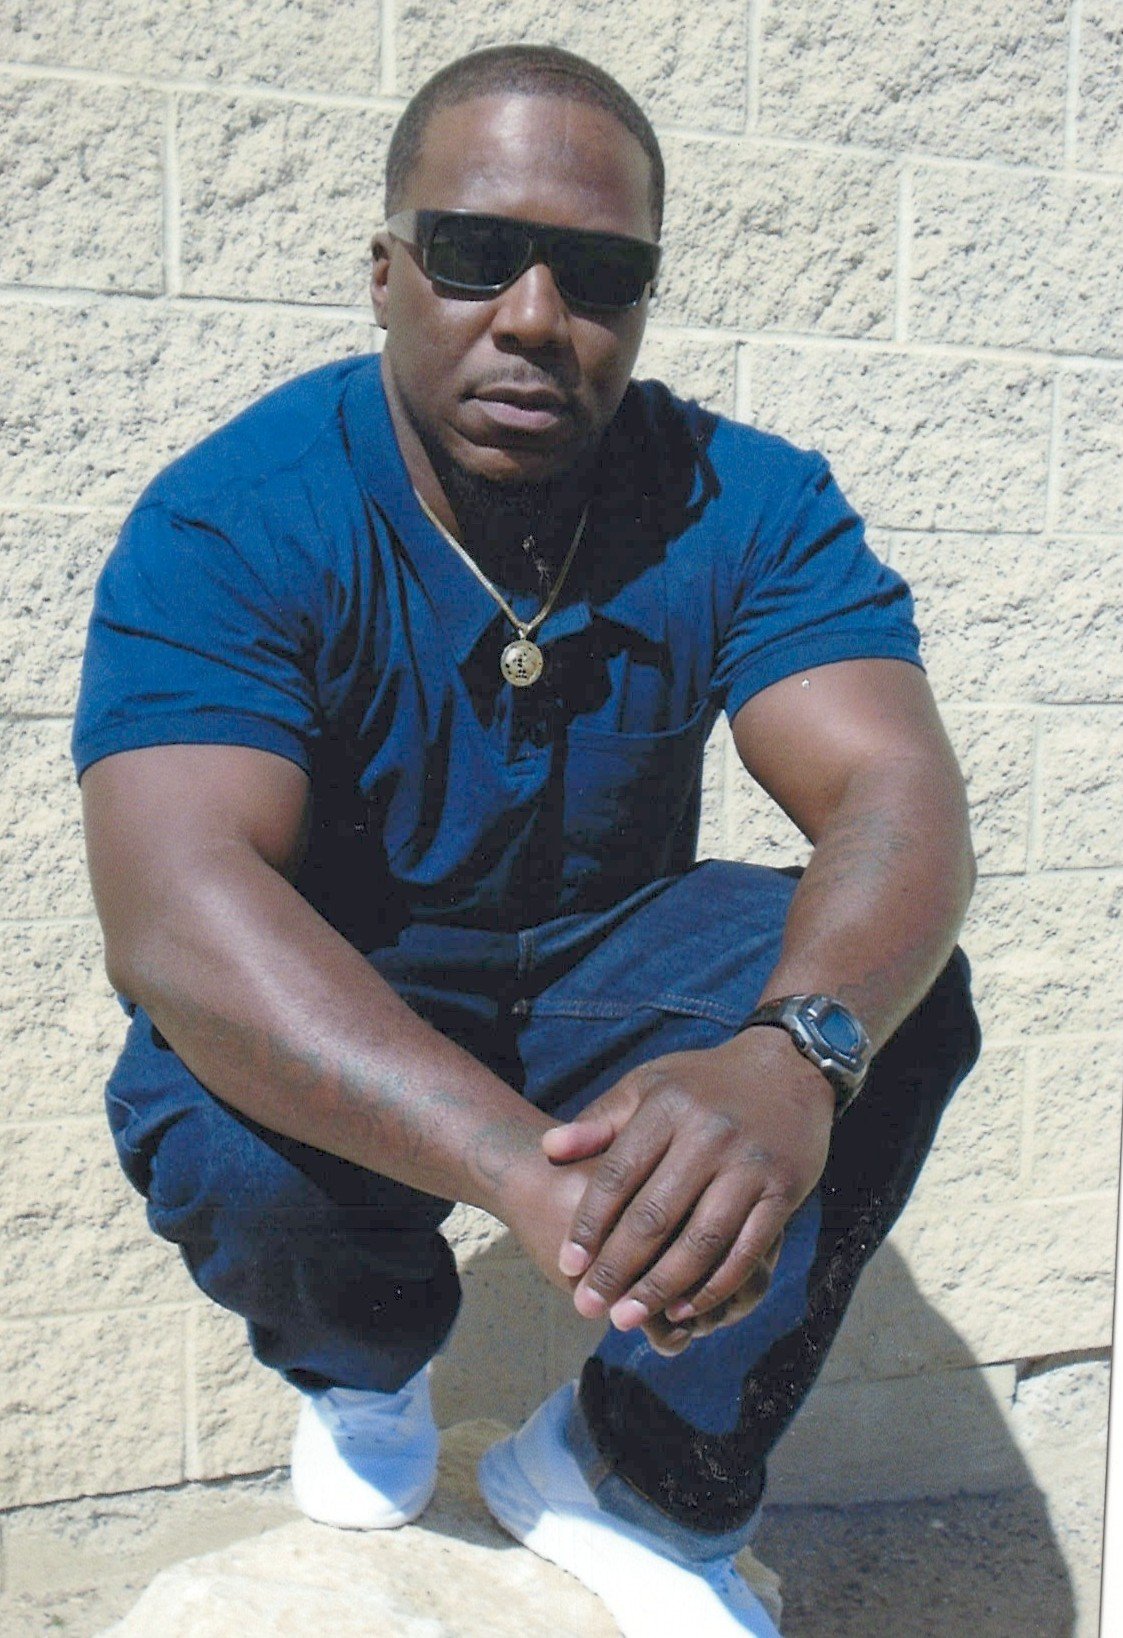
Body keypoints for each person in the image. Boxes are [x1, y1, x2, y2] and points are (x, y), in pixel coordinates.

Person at [73, 42, 980, 1638]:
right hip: (350, 983)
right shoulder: (236, 516)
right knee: (208, 1106)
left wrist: (790, 1051)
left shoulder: (745, 502)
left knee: (888, 1002)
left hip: (597, 980)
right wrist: (511, 1171)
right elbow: (177, 906)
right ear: (385, 273)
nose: (537, 316)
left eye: (600, 274)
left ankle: (636, 1468)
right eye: (476, 254)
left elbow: (894, 796)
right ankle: (365, 1367)